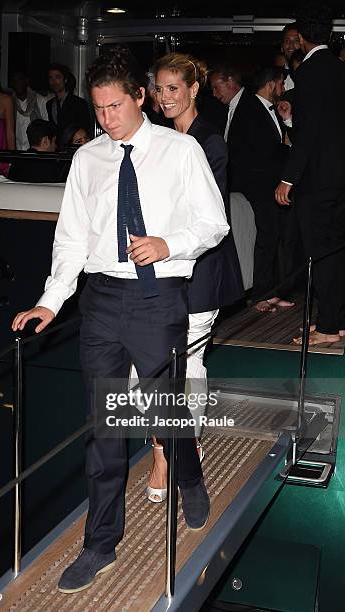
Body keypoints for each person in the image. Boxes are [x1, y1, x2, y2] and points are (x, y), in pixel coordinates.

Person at [12, 47, 229, 593]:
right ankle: (100, 544)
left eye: (115, 107)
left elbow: (214, 224)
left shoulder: (180, 151)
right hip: (103, 301)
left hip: (159, 298)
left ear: (142, 97)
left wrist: (168, 243)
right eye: (99, 110)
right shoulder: (88, 159)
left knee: (163, 408)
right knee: (104, 429)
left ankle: (190, 475)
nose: (106, 120)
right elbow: (71, 238)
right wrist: (52, 300)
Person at [138, 52, 243, 503]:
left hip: (200, 269)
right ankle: (166, 445)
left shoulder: (210, 143)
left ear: (194, 89)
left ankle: (175, 448)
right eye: (159, 89)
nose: (164, 97)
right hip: (157, 270)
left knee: (187, 365)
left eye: (173, 88)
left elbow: (207, 219)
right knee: (149, 365)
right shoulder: (155, 139)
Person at [275, 2, 345, 346]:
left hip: (317, 181)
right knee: (337, 251)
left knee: (320, 253)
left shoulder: (309, 71)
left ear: (300, 37)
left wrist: (289, 178)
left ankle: (329, 328)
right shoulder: (340, 68)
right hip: (340, 179)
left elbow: (308, 133)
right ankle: (336, 321)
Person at [227, 66, 295, 312]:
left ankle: (270, 292)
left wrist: (287, 122)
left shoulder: (272, 110)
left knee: (274, 237)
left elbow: (280, 144)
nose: (284, 89)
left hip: (271, 184)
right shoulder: (250, 110)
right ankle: (261, 295)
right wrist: (285, 148)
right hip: (258, 186)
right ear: (271, 83)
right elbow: (262, 153)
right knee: (267, 238)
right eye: (281, 84)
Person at [46, 63, 91, 146]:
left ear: (65, 80)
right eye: (51, 78)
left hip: (75, 148)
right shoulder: (49, 104)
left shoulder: (78, 103)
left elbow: (85, 129)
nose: (54, 81)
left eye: (58, 77)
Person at [9, 71, 48, 150]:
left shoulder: (40, 100)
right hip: (16, 150)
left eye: (20, 79)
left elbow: (46, 126)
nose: (17, 83)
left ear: (26, 81)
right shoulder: (9, 103)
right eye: (14, 81)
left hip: (36, 150)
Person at [281, 23, 301, 91]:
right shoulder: (274, 76)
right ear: (282, 47)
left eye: (296, 40)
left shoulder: (312, 73)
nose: (291, 44)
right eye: (287, 40)